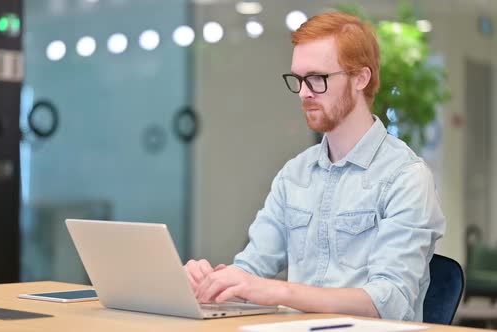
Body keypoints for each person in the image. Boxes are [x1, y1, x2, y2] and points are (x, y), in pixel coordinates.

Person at [183, 12, 445, 322]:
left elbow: (389, 300)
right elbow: (252, 268)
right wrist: (212, 281)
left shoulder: (406, 178)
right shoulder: (294, 175)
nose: (305, 92)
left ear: (361, 78)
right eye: (299, 79)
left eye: (317, 79)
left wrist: (277, 291)